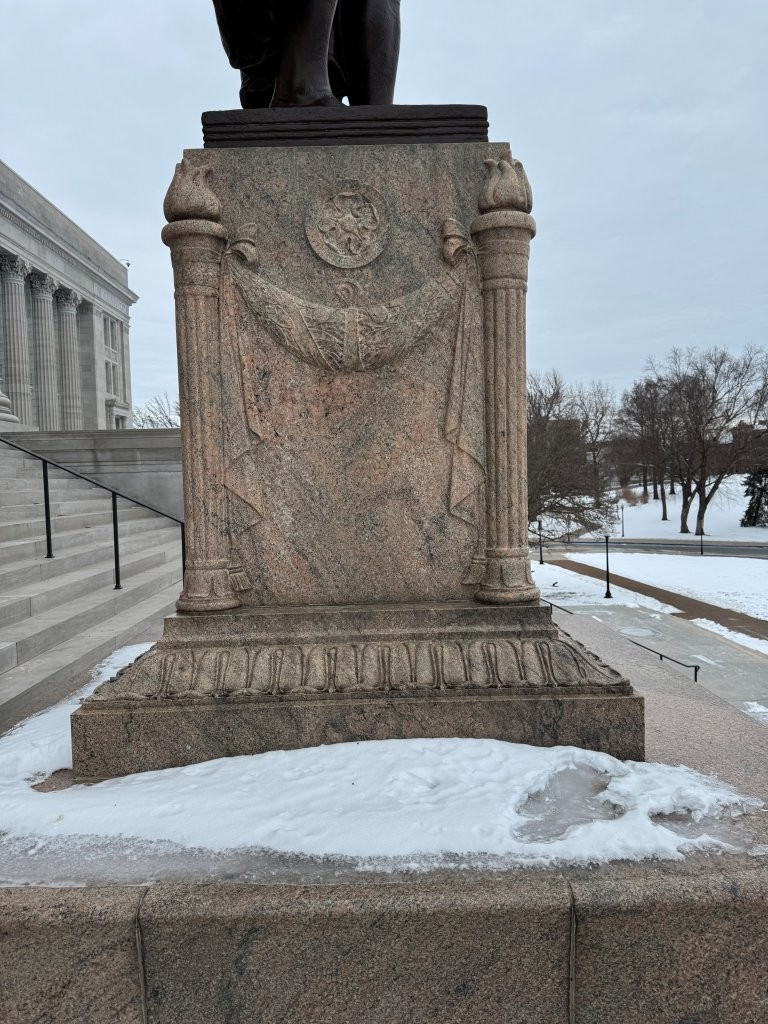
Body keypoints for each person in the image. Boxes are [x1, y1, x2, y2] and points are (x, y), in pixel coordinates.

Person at [212, 0, 401, 109]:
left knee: (375, 112)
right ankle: (303, 86)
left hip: (322, 62)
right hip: (260, 43)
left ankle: (375, 117)